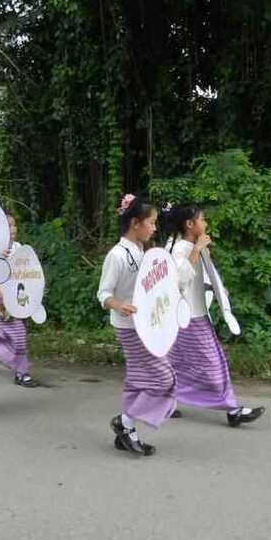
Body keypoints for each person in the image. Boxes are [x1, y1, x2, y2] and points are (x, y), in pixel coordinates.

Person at [164, 203, 264, 427]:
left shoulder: (192, 247)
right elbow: (179, 281)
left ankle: (167, 400)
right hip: (189, 318)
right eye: (202, 219)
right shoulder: (180, 249)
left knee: (183, 362)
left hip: (196, 316)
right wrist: (197, 250)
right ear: (190, 224)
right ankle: (232, 410)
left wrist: (216, 288)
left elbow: (202, 276)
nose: (206, 223)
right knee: (212, 363)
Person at [97, 194, 176, 456]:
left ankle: (127, 432)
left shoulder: (144, 252)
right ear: (135, 223)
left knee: (138, 378)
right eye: (151, 222)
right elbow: (103, 293)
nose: (154, 227)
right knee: (163, 377)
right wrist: (118, 304)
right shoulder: (117, 256)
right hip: (129, 327)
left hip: (149, 324)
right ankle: (125, 421)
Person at [0, 214, 38, 388]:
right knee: (18, 334)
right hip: (2, 297)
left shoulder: (19, 248)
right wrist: (0, 292)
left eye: (14, 225)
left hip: (20, 296)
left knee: (10, 331)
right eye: (8, 225)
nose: (13, 228)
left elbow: (28, 271)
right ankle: (21, 372)